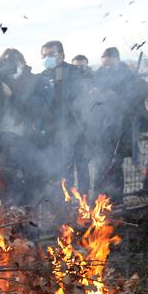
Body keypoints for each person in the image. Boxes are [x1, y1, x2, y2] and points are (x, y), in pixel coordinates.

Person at [92, 47, 148, 204]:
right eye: (104, 65)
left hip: (123, 127)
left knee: (116, 163)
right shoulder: (100, 73)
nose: (107, 68)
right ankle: (99, 200)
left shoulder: (129, 76)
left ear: (117, 60)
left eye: (109, 64)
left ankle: (117, 200)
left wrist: (116, 96)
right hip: (103, 126)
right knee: (101, 163)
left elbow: (136, 98)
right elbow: (93, 89)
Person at [39, 40, 90, 192]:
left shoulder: (75, 72)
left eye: (51, 54)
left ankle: (84, 200)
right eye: (44, 55)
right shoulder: (43, 76)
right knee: (63, 169)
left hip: (76, 127)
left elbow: (78, 96)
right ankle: (66, 204)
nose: (47, 58)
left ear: (61, 55)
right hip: (54, 130)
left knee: (81, 165)